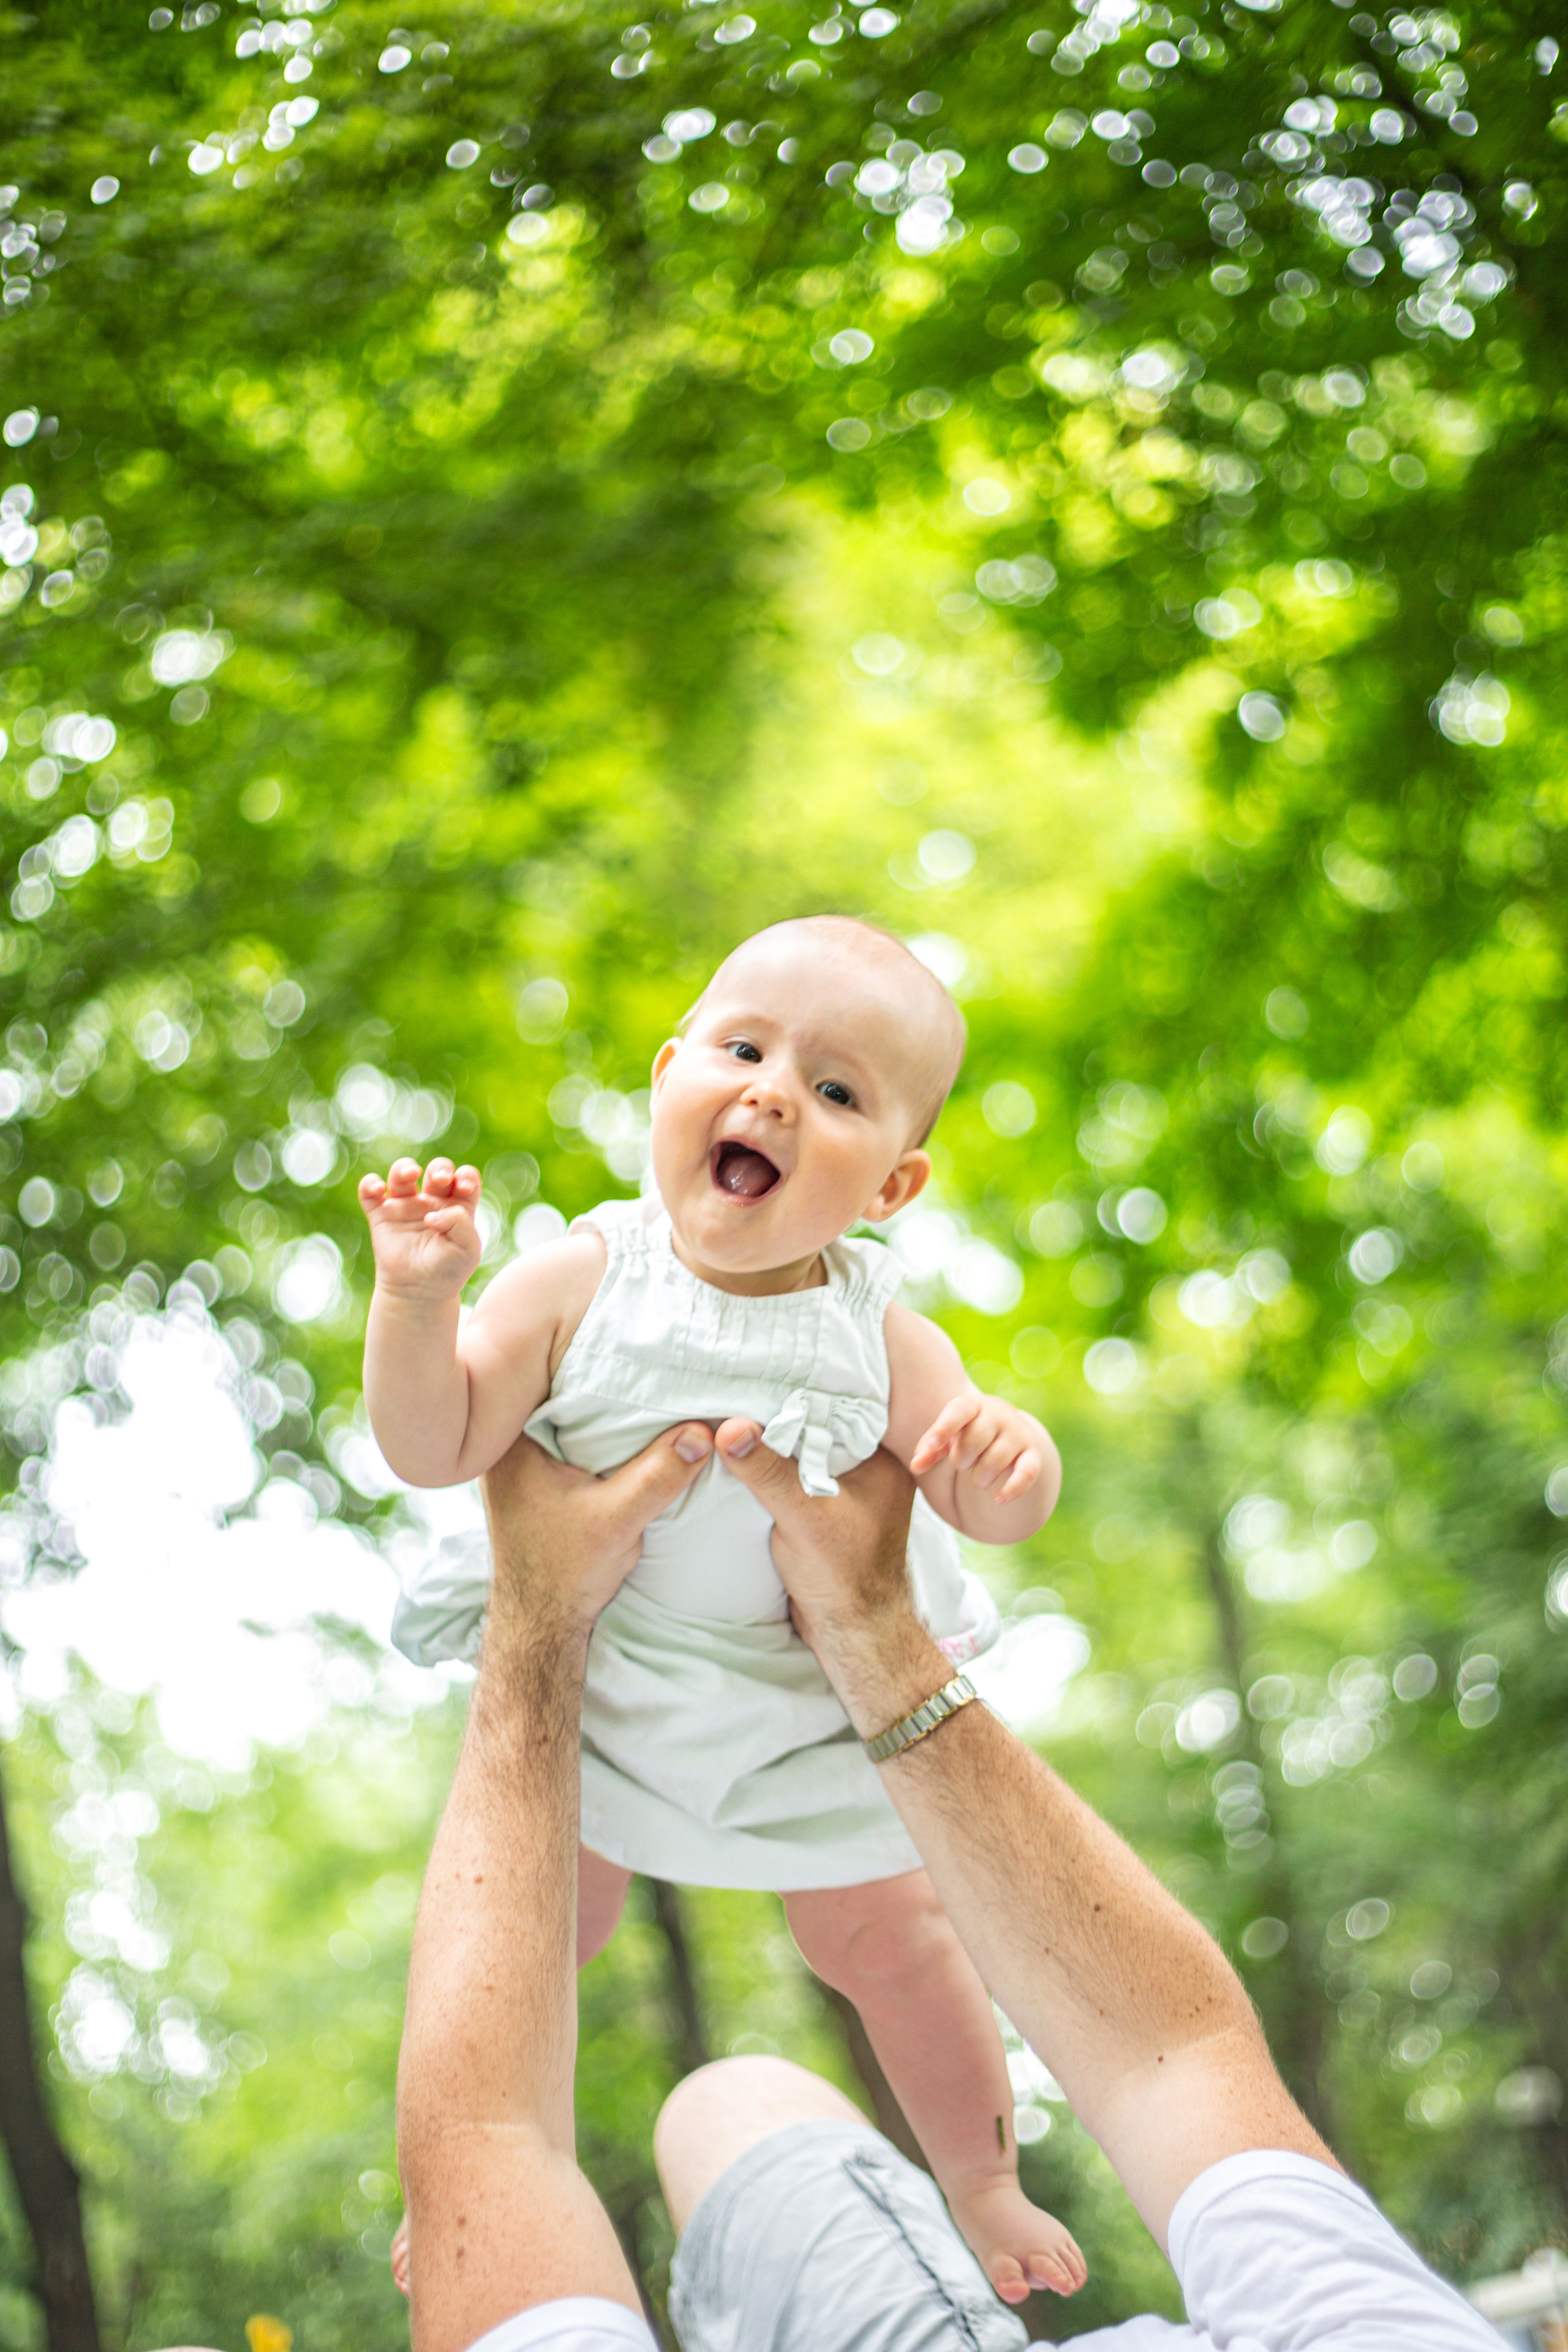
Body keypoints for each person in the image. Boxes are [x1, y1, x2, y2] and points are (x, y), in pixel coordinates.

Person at [397, 1418, 1501, 2352]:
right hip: (775, 1646)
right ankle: (980, 2184)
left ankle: (979, 2183)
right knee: (751, 2062)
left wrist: (421, 1298)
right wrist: (987, 1484)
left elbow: (485, 2137)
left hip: (637, 1663)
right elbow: (1178, 2059)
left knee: (820, 1979)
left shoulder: (704, 1287)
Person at [363, 915, 1082, 2301]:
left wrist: (1010, 1467)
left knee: (894, 1938)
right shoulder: (581, 1277)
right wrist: (416, 1303)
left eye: (832, 1090)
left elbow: (976, 1497)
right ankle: (461, 2172)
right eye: (743, 1049)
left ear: (890, 1184)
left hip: (802, 1714)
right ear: (665, 1072)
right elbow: (436, 1443)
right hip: (606, 1693)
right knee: (522, 1923)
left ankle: (982, 2178)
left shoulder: (879, 1334)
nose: (768, 1093)